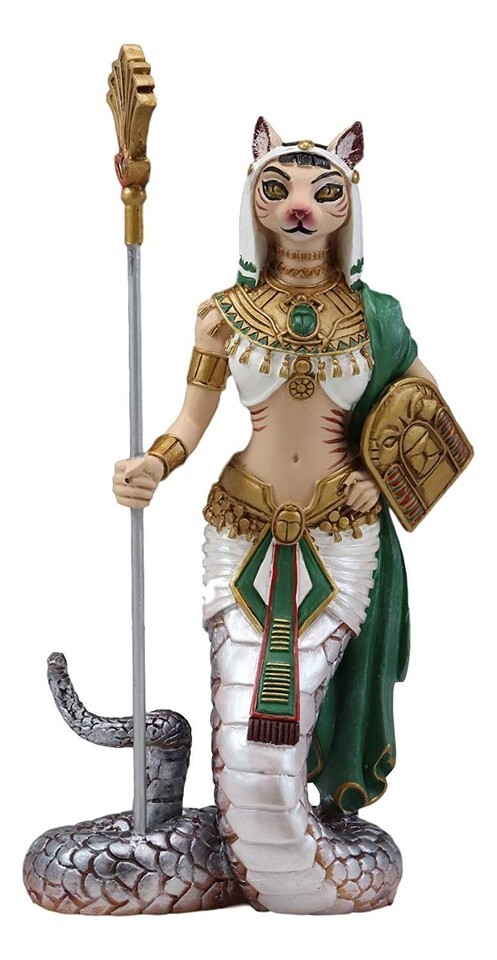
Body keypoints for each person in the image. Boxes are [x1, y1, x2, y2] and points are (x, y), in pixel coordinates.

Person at [112, 119, 439, 914]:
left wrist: (375, 478)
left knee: (299, 696)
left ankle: (309, 827)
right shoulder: (222, 315)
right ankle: (239, 845)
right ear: (252, 202)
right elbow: (190, 420)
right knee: (240, 690)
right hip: (242, 521)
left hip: (339, 530)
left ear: (347, 203)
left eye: (323, 192)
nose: (299, 207)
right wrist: (155, 463)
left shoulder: (376, 318)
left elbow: (425, 416)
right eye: (276, 189)